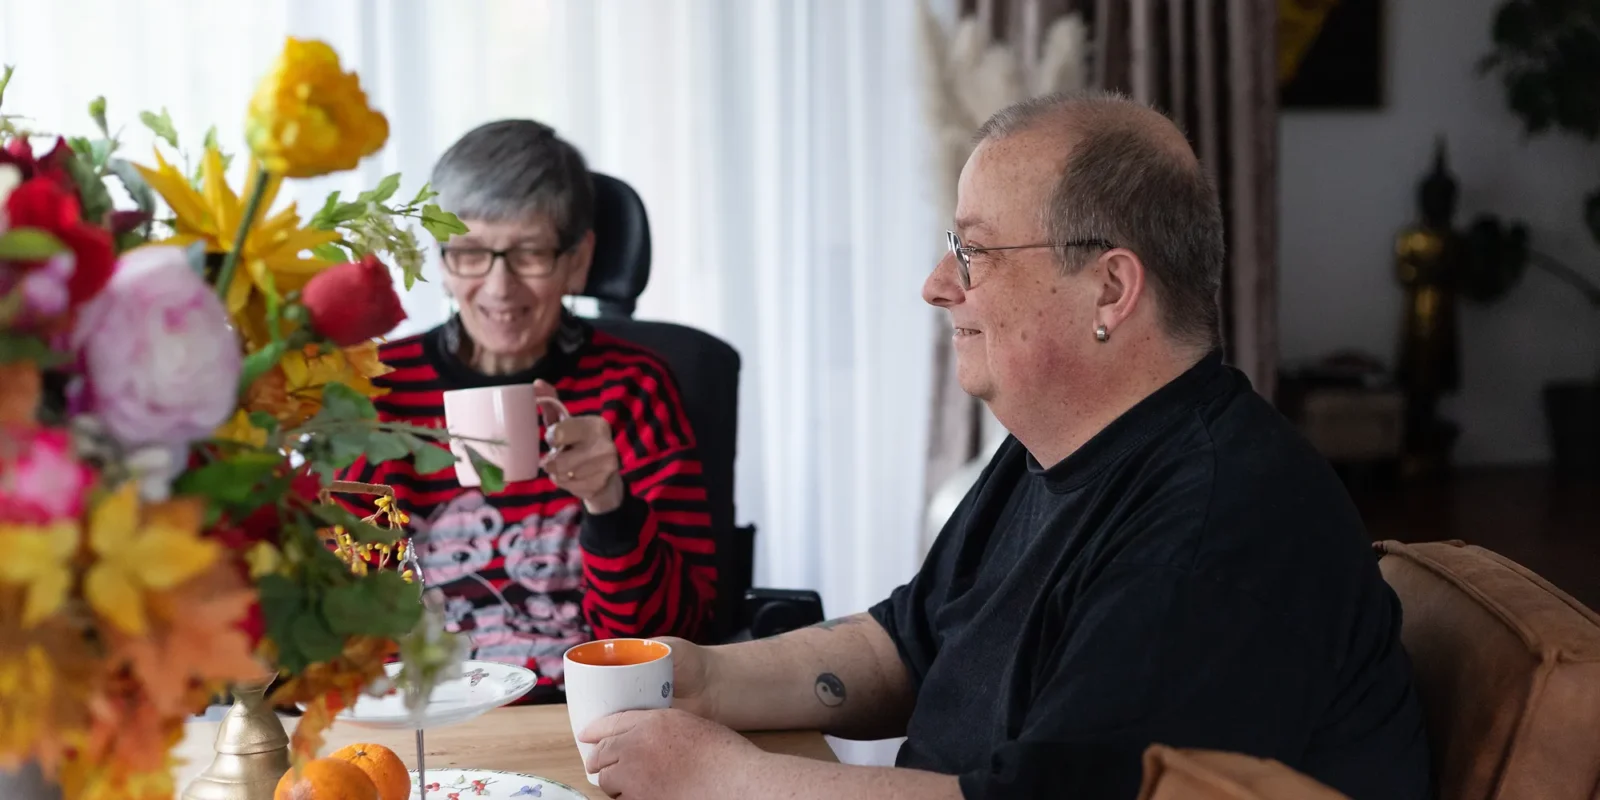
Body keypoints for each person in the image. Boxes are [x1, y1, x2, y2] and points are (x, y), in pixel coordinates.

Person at [576, 92, 1433, 798]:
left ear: (1110, 288)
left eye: (974, 250)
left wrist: (722, 778)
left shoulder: (1215, 526)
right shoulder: (1057, 447)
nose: (936, 284)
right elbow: (909, 641)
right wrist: (702, 678)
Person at [337, 120, 716, 703]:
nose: (499, 287)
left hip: (587, 711)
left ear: (578, 259)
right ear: (443, 262)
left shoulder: (634, 388)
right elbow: (338, 627)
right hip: (422, 713)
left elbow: (675, 638)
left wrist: (609, 506)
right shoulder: (373, 389)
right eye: (470, 253)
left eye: (530, 253)